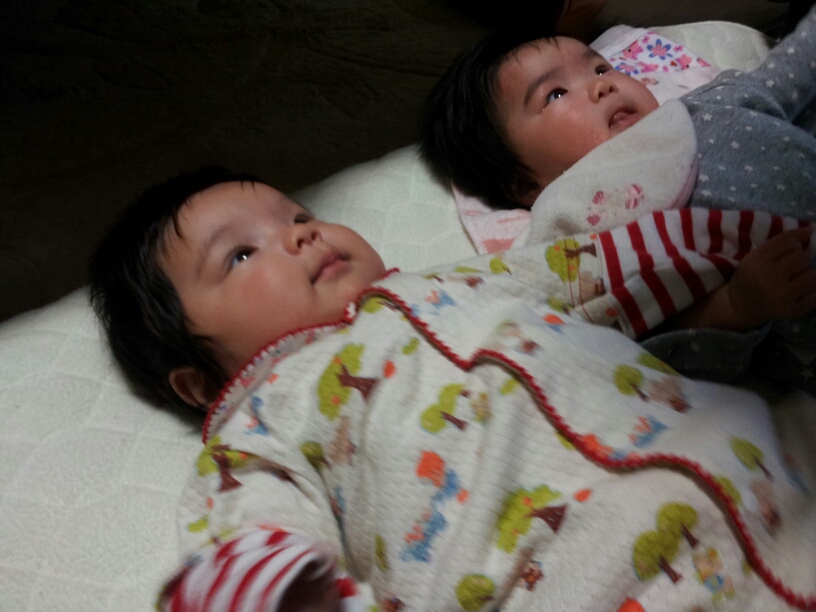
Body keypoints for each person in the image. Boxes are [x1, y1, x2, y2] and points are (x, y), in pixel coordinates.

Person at [89, 167, 816, 610]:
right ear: (195, 383)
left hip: (767, 470)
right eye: (242, 255)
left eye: (299, 216)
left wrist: (736, 241)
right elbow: (252, 538)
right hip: (576, 578)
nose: (301, 235)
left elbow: (594, 267)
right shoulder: (260, 425)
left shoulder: (457, 282)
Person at [420, 5, 816, 387]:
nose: (602, 84)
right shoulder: (591, 241)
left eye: (601, 68)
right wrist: (737, 305)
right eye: (556, 94)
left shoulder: (703, 108)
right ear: (524, 185)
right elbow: (644, 351)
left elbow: (787, 73)